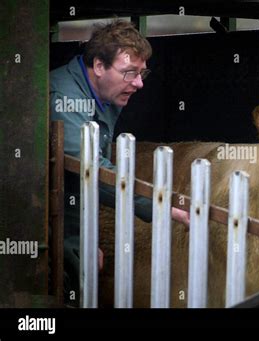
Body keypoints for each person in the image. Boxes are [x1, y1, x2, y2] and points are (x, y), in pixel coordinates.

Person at [49, 20, 190, 305]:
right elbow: (91, 170)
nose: (138, 83)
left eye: (142, 73)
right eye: (129, 73)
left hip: (66, 218)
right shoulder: (64, 99)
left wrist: (86, 237)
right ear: (99, 66)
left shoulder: (103, 94)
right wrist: (160, 204)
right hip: (37, 222)